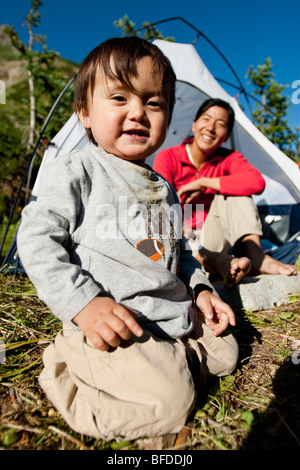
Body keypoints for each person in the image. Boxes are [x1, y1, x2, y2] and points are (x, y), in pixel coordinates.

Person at [17, 38, 239, 441]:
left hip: (168, 314)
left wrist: (202, 291)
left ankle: (169, 361)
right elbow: (36, 237)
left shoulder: (163, 186)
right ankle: (67, 368)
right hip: (115, 319)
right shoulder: (78, 169)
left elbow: (180, 255)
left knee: (227, 353)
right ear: (84, 112)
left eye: (154, 103)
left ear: (168, 116)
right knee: (171, 403)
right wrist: (84, 303)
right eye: (119, 97)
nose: (138, 111)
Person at [153, 98, 297, 283]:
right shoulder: (169, 157)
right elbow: (159, 203)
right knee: (167, 220)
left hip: (212, 235)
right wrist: (179, 223)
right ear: (194, 125)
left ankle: (256, 257)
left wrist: (204, 182)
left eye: (220, 124)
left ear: (227, 135)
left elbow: (256, 182)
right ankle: (218, 264)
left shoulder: (228, 158)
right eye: (206, 119)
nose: (211, 128)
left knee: (236, 192)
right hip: (180, 238)